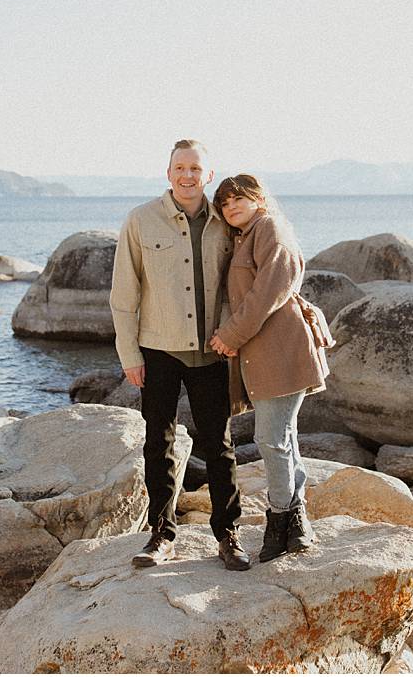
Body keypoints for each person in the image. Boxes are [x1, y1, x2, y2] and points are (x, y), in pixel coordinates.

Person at [109, 139, 249, 571]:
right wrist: (129, 353)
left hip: (212, 351)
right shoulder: (140, 220)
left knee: (219, 447)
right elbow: (123, 294)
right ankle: (161, 535)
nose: (187, 175)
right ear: (167, 173)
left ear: (208, 175)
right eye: (180, 168)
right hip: (158, 351)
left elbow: (251, 276)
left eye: (196, 168)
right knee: (159, 444)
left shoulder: (227, 222)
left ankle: (228, 534)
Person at [209, 174, 329, 562]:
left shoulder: (271, 229)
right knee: (284, 437)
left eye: (238, 199)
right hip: (266, 352)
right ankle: (296, 522)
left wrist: (230, 334)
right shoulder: (247, 235)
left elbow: (268, 292)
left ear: (259, 199)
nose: (231, 207)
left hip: (282, 349)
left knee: (271, 440)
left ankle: (281, 517)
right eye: (224, 204)